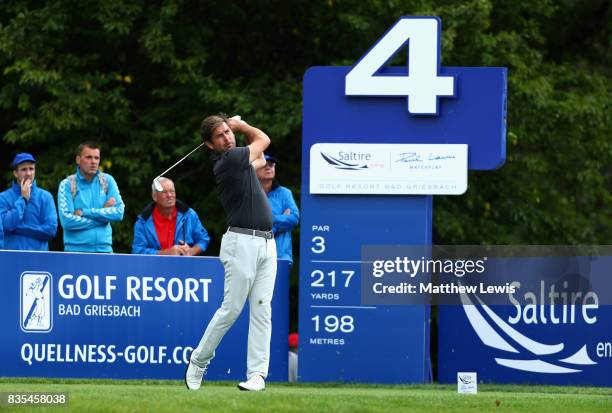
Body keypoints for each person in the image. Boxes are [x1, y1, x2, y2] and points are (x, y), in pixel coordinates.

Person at [185, 113, 276, 392]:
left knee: (262, 310)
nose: (228, 136)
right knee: (231, 309)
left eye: (228, 131)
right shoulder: (228, 160)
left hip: (266, 244)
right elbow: (263, 140)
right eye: (221, 135)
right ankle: (199, 361)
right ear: (210, 145)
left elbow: (260, 157)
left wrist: (240, 131)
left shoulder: (241, 161)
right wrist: (241, 125)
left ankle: (257, 375)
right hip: (241, 243)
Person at [57, 141, 124, 252]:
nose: (93, 162)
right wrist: (102, 216)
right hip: (75, 251)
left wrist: (85, 212)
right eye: (88, 157)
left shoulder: (107, 180)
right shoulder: (67, 184)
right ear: (78, 160)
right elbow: (66, 221)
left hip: (105, 251)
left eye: (96, 158)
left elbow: (119, 212)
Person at [132, 177, 210, 255]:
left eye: (172, 191)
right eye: (164, 192)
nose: (169, 195)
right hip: (153, 266)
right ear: (154, 196)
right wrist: (165, 253)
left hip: (184, 266)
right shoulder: (142, 222)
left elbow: (203, 239)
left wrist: (191, 251)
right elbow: (137, 250)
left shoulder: (189, 215)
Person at [0, 153, 58, 250]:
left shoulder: (46, 197)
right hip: (11, 257)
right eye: (23, 169)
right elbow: (6, 225)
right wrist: (23, 199)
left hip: (39, 258)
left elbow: (51, 230)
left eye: (31, 169)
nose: (28, 173)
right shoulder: (3, 197)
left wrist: (17, 229)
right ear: (15, 173)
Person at [256, 154, 299, 266]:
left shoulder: (285, 193)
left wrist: (269, 220)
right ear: (254, 170)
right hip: (254, 257)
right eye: (264, 165)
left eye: (271, 165)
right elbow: (251, 225)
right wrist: (281, 221)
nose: (268, 167)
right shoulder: (249, 195)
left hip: (280, 257)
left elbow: (294, 219)